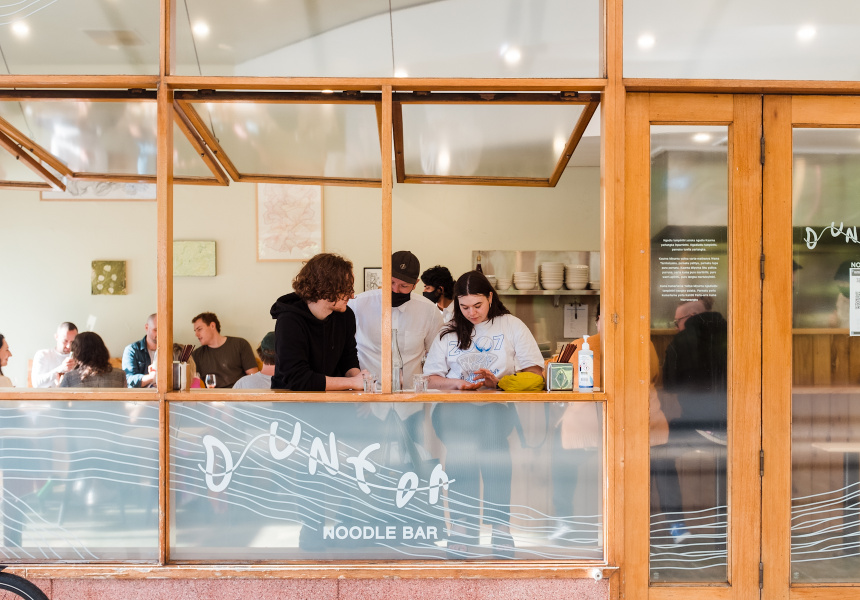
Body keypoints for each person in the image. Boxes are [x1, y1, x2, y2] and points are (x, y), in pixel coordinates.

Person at [423, 270, 545, 558]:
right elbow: (430, 379)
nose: (472, 313)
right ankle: (462, 525)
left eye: (477, 305)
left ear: (490, 297)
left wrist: (499, 382)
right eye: (464, 307)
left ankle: (500, 528)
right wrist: (457, 384)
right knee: (462, 450)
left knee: (494, 453)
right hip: (454, 410)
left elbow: (536, 372)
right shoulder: (448, 330)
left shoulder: (511, 325)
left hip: (495, 408)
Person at [349, 251, 443, 440]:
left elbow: (436, 357)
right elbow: (345, 352)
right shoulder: (358, 305)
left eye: (403, 286)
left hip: (410, 405)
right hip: (366, 403)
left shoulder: (429, 311)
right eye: (391, 282)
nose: (395, 289)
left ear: (415, 284)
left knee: (413, 455)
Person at [270, 253, 367, 391]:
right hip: (292, 398)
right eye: (347, 289)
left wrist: (360, 379)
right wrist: (352, 382)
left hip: (331, 396)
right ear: (326, 288)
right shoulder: (289, 320)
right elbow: (297, 379)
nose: (351, 296)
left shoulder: (346, 315)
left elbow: (348, 358)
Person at [191, 312, 259, 389]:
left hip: (238, 394)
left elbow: (253, 378)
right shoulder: (196, 355)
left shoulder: (240, 344)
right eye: (195, 331)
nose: (196, 334)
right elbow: (193, 384)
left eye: (199, 329)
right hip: (211, 395)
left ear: (212, 325)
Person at [59, 332, 127, 388]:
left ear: (77, 353)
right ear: (103, 350)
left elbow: (60, 399)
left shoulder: (69, 378)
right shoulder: (120, 375)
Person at [31, 322, 78, 388]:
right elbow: (36, 384)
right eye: (65, 341)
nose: (69, 346)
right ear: (56, 337)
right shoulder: (43, 355)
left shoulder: (79, 358)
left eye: (72, 342)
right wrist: (61, 368)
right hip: (47, 394)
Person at [122, 313, 158, 388]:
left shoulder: (171, 351)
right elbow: (129, 379)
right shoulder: (132, 350)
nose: (159, 333)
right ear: (146, 327)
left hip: (164, 394)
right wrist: (152, 377)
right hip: (140, 395)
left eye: (163, 330)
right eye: (156, 330)